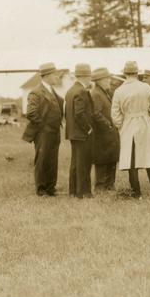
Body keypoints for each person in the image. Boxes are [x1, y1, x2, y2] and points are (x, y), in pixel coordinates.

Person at [111, 61, 150, 199]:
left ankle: (136, 193)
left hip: (128, 127)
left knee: (131, 161)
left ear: (124, 73)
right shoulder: (145, 87)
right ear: (137, 73)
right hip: (145, 124)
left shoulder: (119, 91)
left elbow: (115, 115)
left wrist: (122, 126)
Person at [22, 62, 64, 197]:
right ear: (46, 76)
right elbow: (31, 113)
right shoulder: (35, 92)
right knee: (42, 160)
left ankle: (51, 188)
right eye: (54, 74)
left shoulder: (52, 90)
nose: (56, 77)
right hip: (43, 133)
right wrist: (43, 126)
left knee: (52, 160)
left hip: (54, 132)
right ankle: (41, 190)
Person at [65, 63, 94, 198]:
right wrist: (88, 128)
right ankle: (83, 192)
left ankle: (74, 191)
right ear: (84, 76)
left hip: (73, 133)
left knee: (75, 163)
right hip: (82, 134)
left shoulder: (70, 90)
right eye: (89, 76)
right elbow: (79, 113)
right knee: (83, 163)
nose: (90, 79)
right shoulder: (81, 91)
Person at [90, 67, 120, 191]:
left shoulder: (105, 92)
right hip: (102, 134)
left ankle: (109, 185)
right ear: (100, 80)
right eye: (107, 78)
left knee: (111, 158)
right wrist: (108, 125)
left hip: (109, 134)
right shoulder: (96, 93)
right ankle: (101, 186)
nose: (110, 81)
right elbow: (96, 114)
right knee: (102, 160)